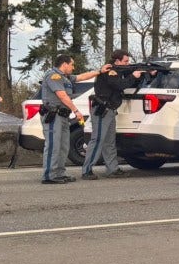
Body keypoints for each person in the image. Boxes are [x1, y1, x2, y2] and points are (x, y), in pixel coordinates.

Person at [40, 53, 106, 185]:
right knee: (53, 146)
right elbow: (62, 96)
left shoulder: (65, 77)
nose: (73, 67)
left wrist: (99, 71)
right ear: (64, 64)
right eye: (72, 64)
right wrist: (76, 111)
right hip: (53, 116)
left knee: (63, 146)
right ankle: (49, 175)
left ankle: (59, 173)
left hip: (63, 116)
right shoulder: (54, 76)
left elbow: (81, 77)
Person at [81, 49, 142, 180]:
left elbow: (125, 77)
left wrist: (145, 73)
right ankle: (86, 170)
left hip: (110, 110)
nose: (127, 64)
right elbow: (119, 85)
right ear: (117, 61)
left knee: (109, 142)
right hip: (103, 110)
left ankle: (112, 169)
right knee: (97, 140)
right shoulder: (110, 71)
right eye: (125, 61)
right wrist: (133, 76)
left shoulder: (116, 70)